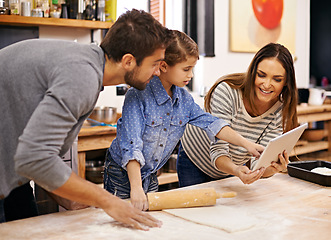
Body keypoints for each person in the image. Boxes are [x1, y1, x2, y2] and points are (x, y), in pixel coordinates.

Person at [0, 9, 174, 230]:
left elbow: (34, 153)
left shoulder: (87, 64)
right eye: (155, 63)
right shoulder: (82, 76)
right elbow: (36, 157)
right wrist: (106, 200)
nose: (158, 72)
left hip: (13, 171)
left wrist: (71, 198)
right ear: (128, 61)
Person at [103, 30, 264, 211]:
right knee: (121, 219)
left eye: (192, 68)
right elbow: (132, 146)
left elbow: (213, 123)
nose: (191, 75)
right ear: (163, 66)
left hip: (149, 173)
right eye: (186, 69)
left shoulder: (184, 99)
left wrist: (246, 144)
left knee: (149, 218)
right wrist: (136, 188)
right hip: (123, 174)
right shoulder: (137, 95)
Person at [177, 43, 299, 187]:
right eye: (261, 75)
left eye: (277, 79)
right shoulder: (227, 92)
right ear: (253, 72)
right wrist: (236, 170)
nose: (267, 84)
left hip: (231, 166)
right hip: (195, 158)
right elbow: (218, 151)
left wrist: (271, 168)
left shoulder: (280, 111)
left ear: (286, 82)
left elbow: (258, 163)